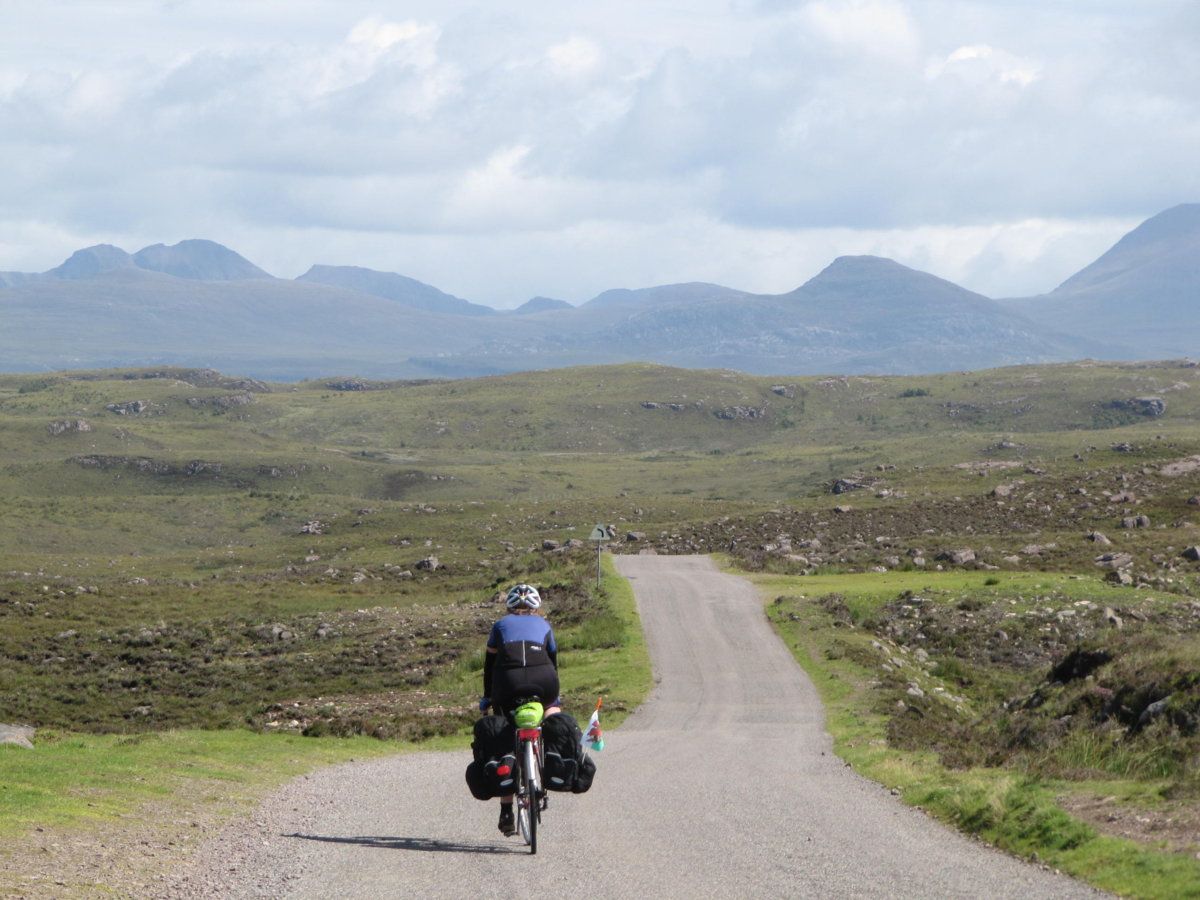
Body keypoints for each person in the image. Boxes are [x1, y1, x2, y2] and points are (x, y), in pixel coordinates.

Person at [479, 583, 561, 836]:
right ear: (537, 607)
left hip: (507, 685)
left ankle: (506, 811)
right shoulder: (545, 626)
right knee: (552, 713)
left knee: (504, 738)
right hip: (545, 681)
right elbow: (553, 663)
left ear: (510, 606)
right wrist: (553, 700)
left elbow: (490, 666)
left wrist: (487, 699)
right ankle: (555, 762)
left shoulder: (500, 626)